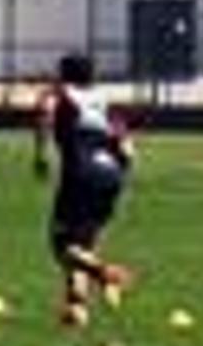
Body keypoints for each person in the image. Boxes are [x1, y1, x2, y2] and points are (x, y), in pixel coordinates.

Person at [32, 52, 136, 327]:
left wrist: (41, 153)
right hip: (112, 174)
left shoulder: (59, 93)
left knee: (61, 246)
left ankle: (104, 273)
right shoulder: (104, 101)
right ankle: (76, 308)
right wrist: (118, 178)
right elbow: (128, 150)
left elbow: (45, 112)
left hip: (80, 171)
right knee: (84, 242)